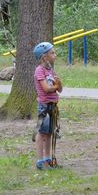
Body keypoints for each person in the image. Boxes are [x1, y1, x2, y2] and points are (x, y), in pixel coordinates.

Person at [33, 41, 63, 170]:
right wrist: (56, 86)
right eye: (52, 53)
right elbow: (46, 88)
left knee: (50, 133)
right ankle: (40, 161)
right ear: (44, 57)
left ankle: (48, 159)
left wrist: (59, 84)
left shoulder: (51, 70)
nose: (55, 55)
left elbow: (59, 89)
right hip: (44, 107)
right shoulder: (39, 70)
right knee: (42, 133)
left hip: (53, 106)